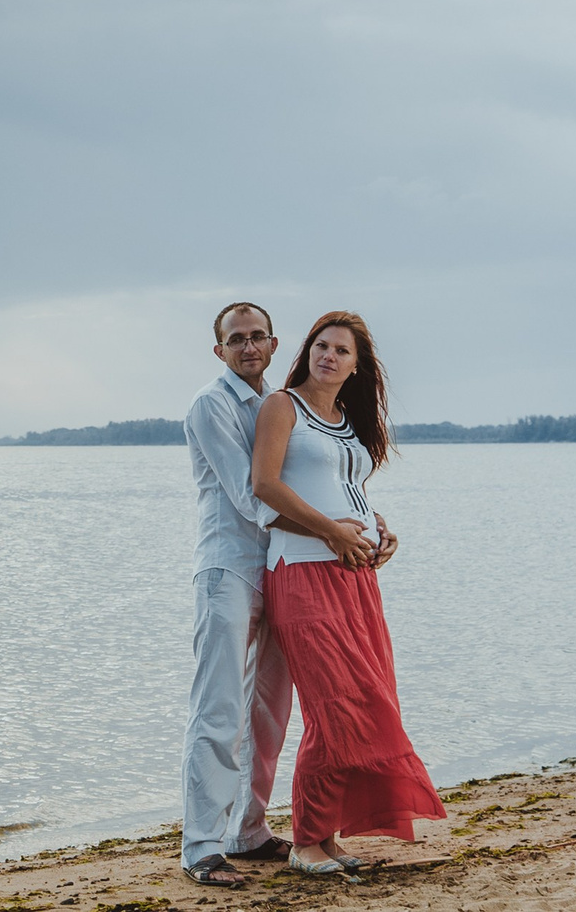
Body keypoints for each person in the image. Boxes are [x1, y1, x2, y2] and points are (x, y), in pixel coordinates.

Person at [178, 303, 391, 889]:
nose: (247, 347)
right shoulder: (212, 405)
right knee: (219, 708)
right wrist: (335, 531)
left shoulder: (281, 404)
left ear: (273, 345)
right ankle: (200, 846)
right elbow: (258, 497)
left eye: (256, 338)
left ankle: (246, 830)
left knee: (269, 710)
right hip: (229, 569)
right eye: (235, 339)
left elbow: (310, 478)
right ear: (218, 350)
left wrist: (367, 523)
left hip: (281, 570)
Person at [249, 310, 445, 875]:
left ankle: (327, 838)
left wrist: (379, 530)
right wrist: (332, 532)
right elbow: (265, 486)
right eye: (321, 345)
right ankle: (306, 842)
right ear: (307, 352)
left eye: (341, 350)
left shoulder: (345, 421)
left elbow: (346, 491)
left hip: (356, 579)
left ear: (357, 368)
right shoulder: (282, 406)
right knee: (334, 708)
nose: (328, 355)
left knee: (366, 703)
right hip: (302, 573)